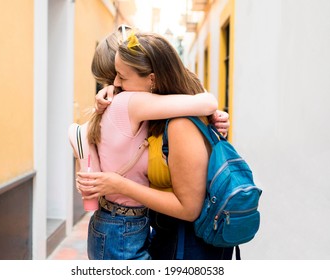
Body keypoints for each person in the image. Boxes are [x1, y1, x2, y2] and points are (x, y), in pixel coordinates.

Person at [71, 27, 228, 260]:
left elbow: (203, 102)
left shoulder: (151, 111)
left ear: (150, 76)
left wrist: (214, 117)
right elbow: (205, 101)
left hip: (135, 227)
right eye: (110, 80)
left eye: (120, 77)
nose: (115, 85)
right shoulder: (130, 103)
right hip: (128, 228)